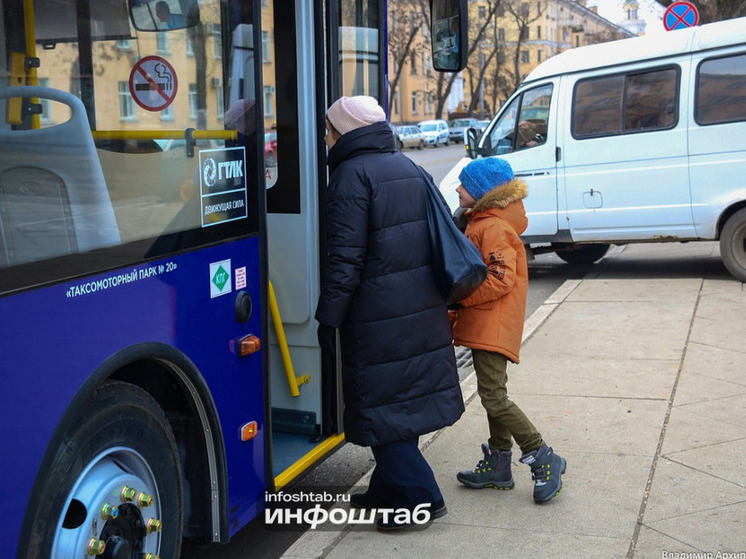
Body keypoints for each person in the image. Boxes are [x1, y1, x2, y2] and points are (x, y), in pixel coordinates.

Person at [315, 95, 464, 531]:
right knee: (400, 403)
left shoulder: (350, 176)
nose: (325, 138)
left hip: (377, 318)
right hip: (418, 309)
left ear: (344, 131)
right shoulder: (409, 167)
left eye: (328, 130)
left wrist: (328, 317)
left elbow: (345, 261)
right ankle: (386, 489)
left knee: (380, 405)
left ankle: (420, 499)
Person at [451, 157, 566, 504]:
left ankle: (542, 455)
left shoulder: (494, 227)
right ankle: (499, 465)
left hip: (493, 323)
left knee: (494, 398)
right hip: (486, 321)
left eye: (465, 185)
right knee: (493, 395)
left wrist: (462, 299)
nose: (458, 189)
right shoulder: (481, 222)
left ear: (483, 191)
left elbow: (500, 279)